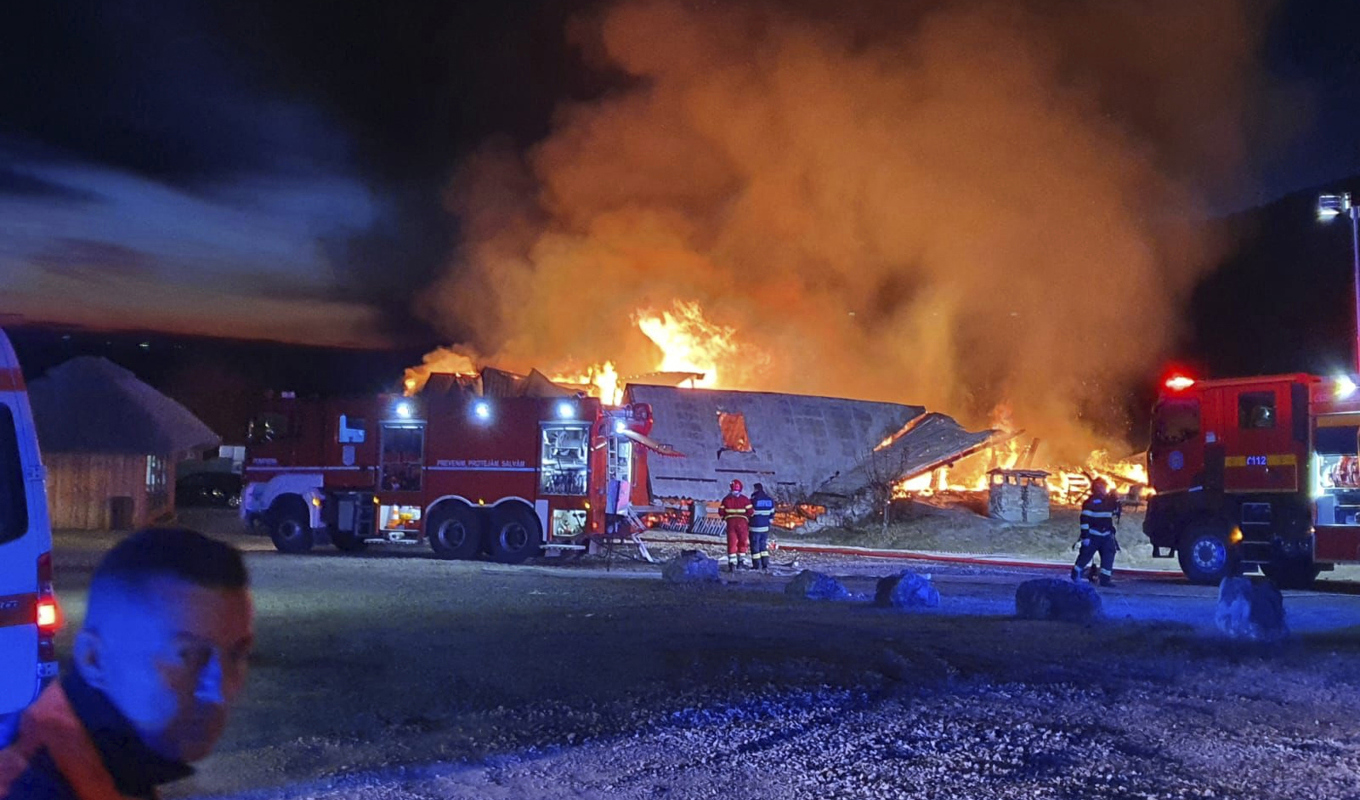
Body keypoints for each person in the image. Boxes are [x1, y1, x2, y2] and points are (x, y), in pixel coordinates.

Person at [0, 528, 254, 800]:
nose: (219, 690)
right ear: (93, 659)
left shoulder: (120, 764)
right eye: (189, 656)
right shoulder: (31, 786)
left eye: (236, 655)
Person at [1072, 479, 1120, 587]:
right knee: (1085, 556)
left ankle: (1105, 580)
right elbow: (1084, 520)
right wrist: (1085, 537)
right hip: (1093, 536)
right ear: (1097, 488)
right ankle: (1075, 574)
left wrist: (1116, 500)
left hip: (1106, 535)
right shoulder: (1089, 503)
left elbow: (1115, 512)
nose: (1104, 490)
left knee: (1109, 556)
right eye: (1102, 487)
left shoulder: (1109, 501)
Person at [718, 480, 753, 572]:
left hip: (731, 523)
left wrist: (726, 517)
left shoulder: (726, 499)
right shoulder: (745, 499)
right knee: (743, 542)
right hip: (742, 523)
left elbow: (721, 512)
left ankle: (732, 564)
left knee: (732, 542)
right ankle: (741, 562)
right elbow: (751, 512)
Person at [748, 483, 775, 571]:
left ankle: (756, 565)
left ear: (756, 489)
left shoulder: (754, 499)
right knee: (763, 546)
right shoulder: (770, 500)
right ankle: (765, 564)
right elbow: (772, 514)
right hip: (765, 527)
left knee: (755, 546)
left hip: (755, 527)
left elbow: (749, 512)